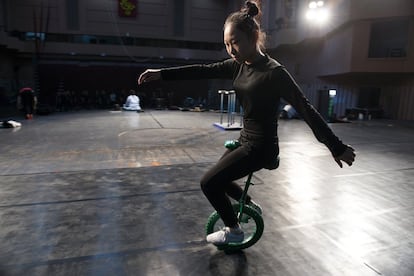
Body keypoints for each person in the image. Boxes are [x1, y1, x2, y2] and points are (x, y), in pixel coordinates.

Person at [138, 1, 355, 245]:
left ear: (254, 37)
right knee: (223, 180)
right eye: (227, 44)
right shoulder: (238, 65)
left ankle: (234, 230)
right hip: (246, 139)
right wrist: (162, 73)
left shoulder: (275, 72)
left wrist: (336, 147)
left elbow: (306, 109)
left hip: (262, 146)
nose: (231, 49)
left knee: (208, 183)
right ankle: (250, 206)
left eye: (236, 42)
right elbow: (201, 69)